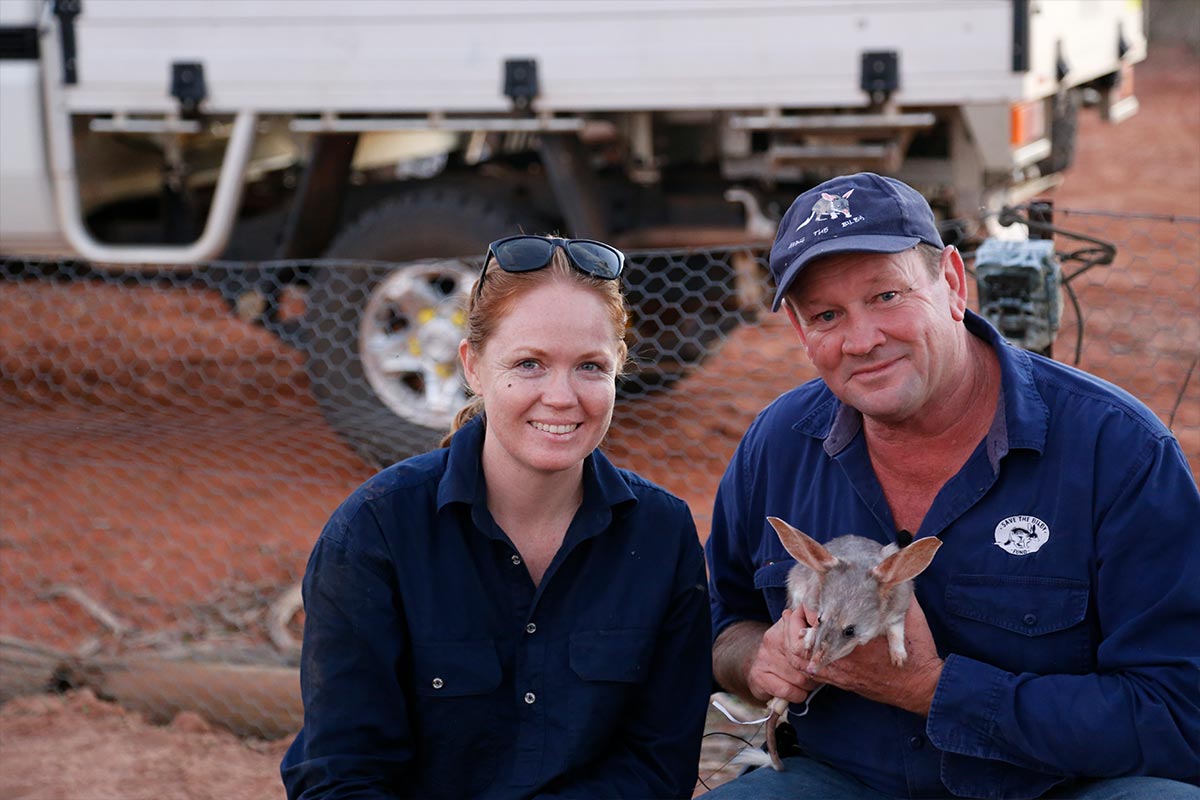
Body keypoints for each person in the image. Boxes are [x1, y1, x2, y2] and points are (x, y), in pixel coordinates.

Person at [703, 172, 1200, 799]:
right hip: (844, 781)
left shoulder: (1117, 451)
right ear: (804, 335)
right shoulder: (777, 446)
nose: (862, 340)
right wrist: (756, 658)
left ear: (954, 285)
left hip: (1059, 788)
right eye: (827, 315)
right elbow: (723, 621)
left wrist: (932, 689)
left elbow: (1180, 715)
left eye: (887, 296)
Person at [281, 235, 712, 799]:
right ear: (474, 367)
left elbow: (658, 766)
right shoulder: (375, 532)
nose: (561, 397)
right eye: (529, 364)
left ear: (618, 371)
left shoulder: (662, 533)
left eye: (590, 366)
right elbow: (341, 774)